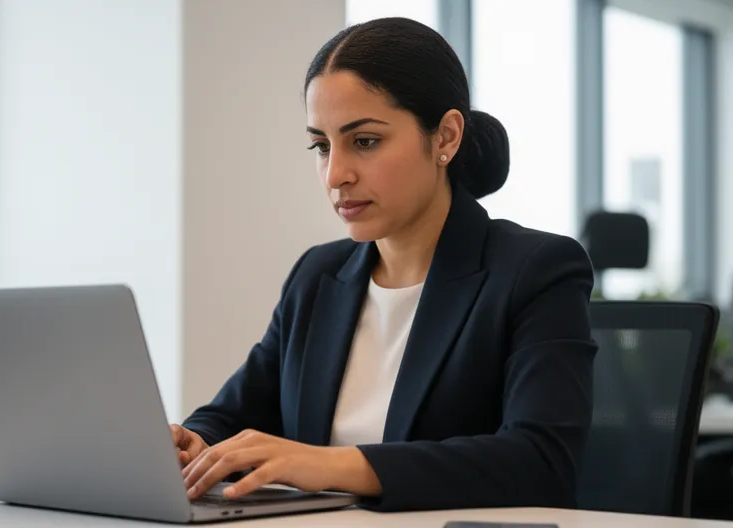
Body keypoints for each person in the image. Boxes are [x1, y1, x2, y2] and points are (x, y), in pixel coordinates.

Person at [171, 17, 597, 512]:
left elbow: (541, 462)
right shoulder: (317, 276)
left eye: (365, 141)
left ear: (445, 138)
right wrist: (194, 443)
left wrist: (328, 464)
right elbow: (230, 416)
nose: (336, 174)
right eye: (321, 146)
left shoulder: (536, 270)